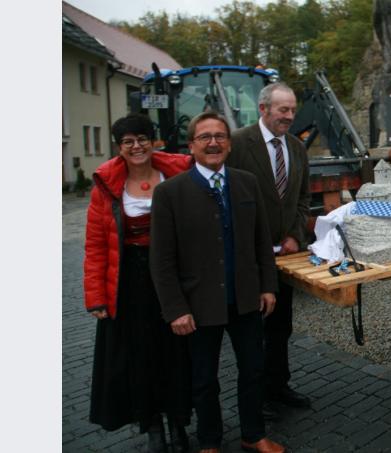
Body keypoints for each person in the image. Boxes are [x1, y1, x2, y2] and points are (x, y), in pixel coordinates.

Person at [150, 112, 285, 453]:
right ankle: (209, 441)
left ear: (229, 142)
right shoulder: (169, 193)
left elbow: (261, 241)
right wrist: (175, 309)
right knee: (204, 379)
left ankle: (253, 435)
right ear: (192, 145)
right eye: (205, 137)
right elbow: (162, 260)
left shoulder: (246, 182)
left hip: (245, 299)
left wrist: (268, 286)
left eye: (220, 136)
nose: (213, 142)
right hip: (198, 305)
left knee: (253, 371)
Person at [83, 114, 192, 453]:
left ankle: (179, 422)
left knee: (176, 353)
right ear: (119, 148)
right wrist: (97, 297)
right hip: (128, 282)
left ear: (153, 141)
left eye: (142, 138)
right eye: (128, 141)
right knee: (140, 358)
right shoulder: (106, 184)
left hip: (172, 276)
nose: (137, 146)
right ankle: (152, 426)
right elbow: (96, 244)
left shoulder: (177, 173)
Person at [228, 82, 312, 418]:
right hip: (249, 255)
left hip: (285, 255)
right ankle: (256, 397)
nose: (290, 116)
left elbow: (303, 198)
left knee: (281, 327)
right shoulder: (236, 144)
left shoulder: (297, 147)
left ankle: (279, 385)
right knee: (253, 331)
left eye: (293, 110)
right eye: (283, 110)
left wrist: (294, 235)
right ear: (263, 109)